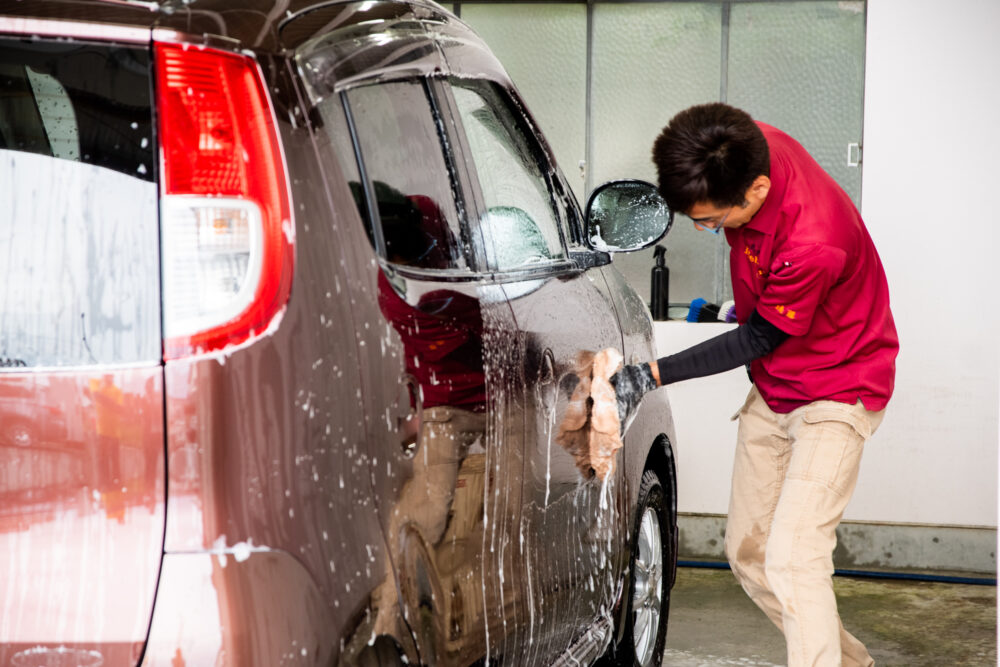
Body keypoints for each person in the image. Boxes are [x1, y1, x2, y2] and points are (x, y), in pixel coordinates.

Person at [613, 102, 898, 667]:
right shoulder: (742, 145)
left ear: (758, 190)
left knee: (793, 557)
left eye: (712, 221)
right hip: (776, 387)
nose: (704, 230)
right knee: (750, 553)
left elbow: (756, 339)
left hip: (839, 388)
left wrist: (648, 375)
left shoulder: (813, 241)